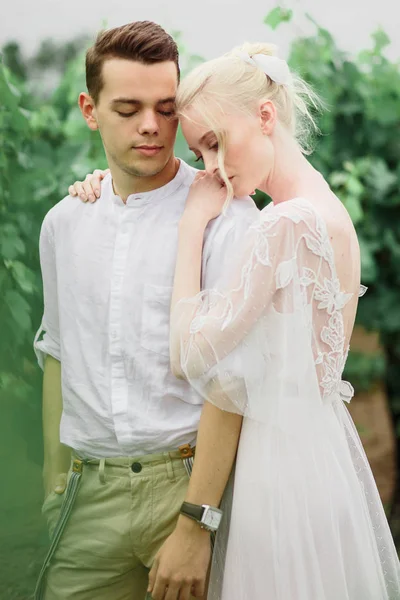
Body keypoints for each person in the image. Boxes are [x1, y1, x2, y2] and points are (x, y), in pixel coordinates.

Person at [72, 42, 400, 599]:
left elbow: (189, 356)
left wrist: (191, 227)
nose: (215, 169)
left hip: (273, 479)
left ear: (265, 116)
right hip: (323, 467)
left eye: (217, 143)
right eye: (201, 155)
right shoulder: (329, 214)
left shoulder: (283, 225)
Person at [33, 21, 259, 600]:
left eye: (166, 107)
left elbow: (230, 381)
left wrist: (196, 520)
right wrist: (53, 476)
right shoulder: (63, 223)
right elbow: (57, 351)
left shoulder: (223, 217)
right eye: (128, 108)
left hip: (186, 484)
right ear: (90, 108)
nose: (152, 126)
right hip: (87, 496)